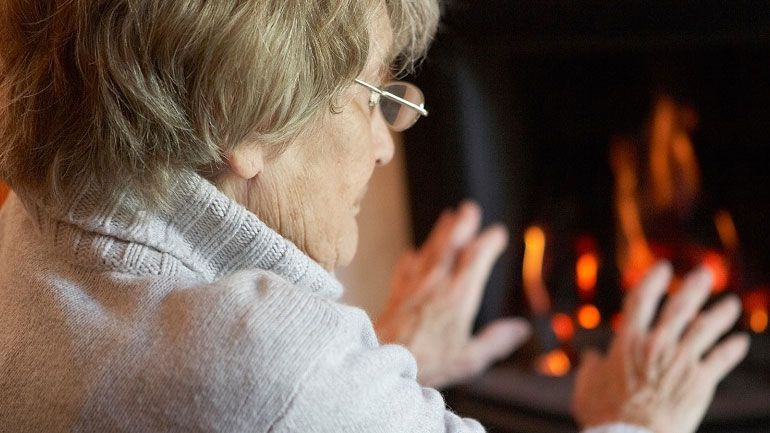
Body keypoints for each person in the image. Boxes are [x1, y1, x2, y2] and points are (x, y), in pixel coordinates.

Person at [0, 1, 749, 432]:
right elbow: (268, 391)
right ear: (246, 123)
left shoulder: (32, 226)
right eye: (375, 99)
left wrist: (386, 364)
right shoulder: (274, 364)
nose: (387, 145)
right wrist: (640, 417)